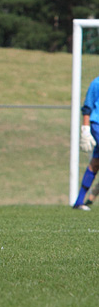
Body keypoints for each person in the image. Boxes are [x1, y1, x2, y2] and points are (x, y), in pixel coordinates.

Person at [73, 76, 99, 210]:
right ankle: (92, 195)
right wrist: (85, 129)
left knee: (95, 163)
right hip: (97, 125)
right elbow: (88, 107)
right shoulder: (96, 82)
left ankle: (79, 201)